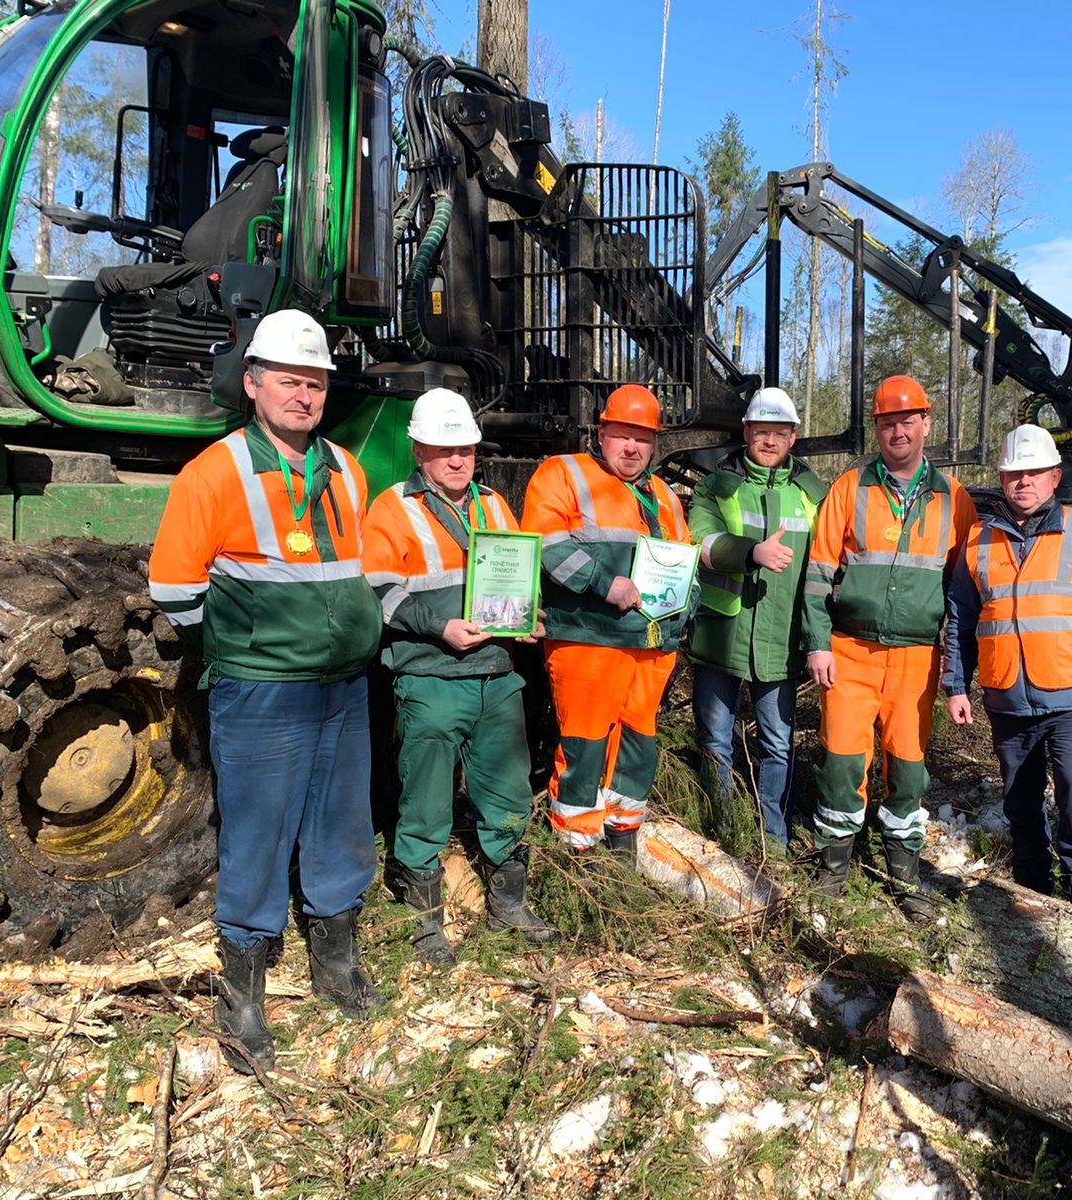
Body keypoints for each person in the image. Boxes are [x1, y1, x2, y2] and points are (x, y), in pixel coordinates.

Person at [148, 309, 383, 1074]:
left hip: (341, 686)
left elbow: (359, 571)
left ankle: (335, 958)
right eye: (289, 380)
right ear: (253, 385)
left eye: (314, 383)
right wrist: (241, 648)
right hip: (261, 691)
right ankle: (242, 990)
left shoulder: (345, 468)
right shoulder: (215, 471)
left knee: (341, 822)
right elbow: (176, 589)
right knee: (255, 835)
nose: (304, 395)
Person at [362, 388, 556, 963]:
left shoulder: (494, 503)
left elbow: (519, 573)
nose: (457, 459)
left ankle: (508, 905)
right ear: (418, 448)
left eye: (466, 448)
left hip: (496, 672)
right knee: (425, 802)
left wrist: (526, 616)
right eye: (444, 449)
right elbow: (377, 592)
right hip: (431, 674)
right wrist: (437, 625)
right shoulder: (392, 507)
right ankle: (426, 923)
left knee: (507, 792)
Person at [942, 423, 1072, 906]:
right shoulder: (978, 541)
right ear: (1001, 478)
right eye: (1014, 473)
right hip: (1007, 695)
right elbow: (961, 618)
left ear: (1055, 476)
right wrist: (956, 684)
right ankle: (1032, 881)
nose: (1023, 482)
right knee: (1019, 796)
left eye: (1034, 473)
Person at [803, 375, 978, 919]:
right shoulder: (850, 489)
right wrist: (817, 644)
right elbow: (817, 572)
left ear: (926, 424)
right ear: (876, 428)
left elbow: (962, 591)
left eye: (907, 420)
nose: (897, 430)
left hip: (916, 659)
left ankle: (903, 870)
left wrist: (955, 668)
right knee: (840, 760)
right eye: (886, 422)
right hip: (849, 650)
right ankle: (834, 869)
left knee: (908, 763)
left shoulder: (955, 499)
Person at [520, 385, 695, 853]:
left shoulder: (663, 495)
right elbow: (547, 545)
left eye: (643, 439)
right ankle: (579, 854)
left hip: (650, 645)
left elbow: (683, 556)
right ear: (602, 433)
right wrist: (605, 582)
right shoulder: (563, 473)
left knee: (638, 744)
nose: (632, 448)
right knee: (584, 744)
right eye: (623, 436)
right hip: (588, 640)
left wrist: (689, 598)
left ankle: (623, 841)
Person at [687, 387, 827, 851]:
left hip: (780, 639)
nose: (770, 441)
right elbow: (700, 543)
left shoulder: (813, 495)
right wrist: (752, 552)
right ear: (746, 432)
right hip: (721, 636)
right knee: (716, 740)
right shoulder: (715, 487)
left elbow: (830, 563)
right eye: (761, 431)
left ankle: (774, 841)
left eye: (780, 433)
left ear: (793, 437)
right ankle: (724, 835)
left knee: (777, 744)